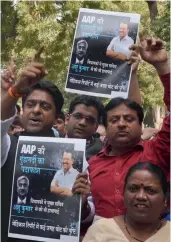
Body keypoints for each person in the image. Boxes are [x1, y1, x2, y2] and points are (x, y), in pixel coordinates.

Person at [73, 36, 170, 222]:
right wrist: (83, 207)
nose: (122, 124)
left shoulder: (158, 151)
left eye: (129, 119)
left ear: (141, 126)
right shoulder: (91, 165)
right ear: (105, 128)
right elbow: (90, 213)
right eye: (115, 120)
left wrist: (163, 66)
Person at [1, 62, 64, 242]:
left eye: (45, 106)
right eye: (30, 104)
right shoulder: (6, 145)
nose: (36, 111)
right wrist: (14, 91)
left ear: (56, 117)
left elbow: (81, 209)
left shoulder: (71, 155)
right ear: (22, 111)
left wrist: (80, 204)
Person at [83, 162, 170, 242]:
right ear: (123, 195)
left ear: (165, 199)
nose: (140, 196)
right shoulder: (101, 230)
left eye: (150, 190)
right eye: (133, 189)